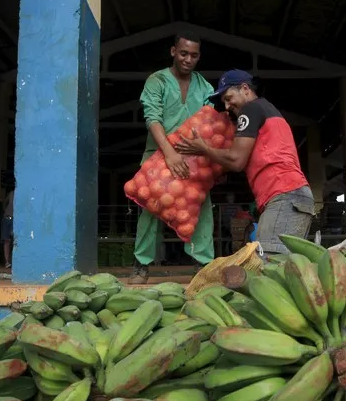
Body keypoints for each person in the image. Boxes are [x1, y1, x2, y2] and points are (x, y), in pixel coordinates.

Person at [177, 70, 315, 258]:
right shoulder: (267, 110)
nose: (227, 106)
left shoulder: (250, 109)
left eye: (229, 98)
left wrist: (204, 149)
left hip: (284, 195)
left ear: (245, 89)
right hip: (294, 196)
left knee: (268, 262)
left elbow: (236, 160)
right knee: (287, 266)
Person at [131, 32, 216, 284]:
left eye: (194, 55)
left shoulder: (205, 87)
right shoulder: (156, 80)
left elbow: (209, 123)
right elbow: (152, 118)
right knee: (151, 209)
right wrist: (169, 153)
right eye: (183, 53)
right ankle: (141, 265)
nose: (188, 59)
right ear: (173, 52)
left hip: (193, 160)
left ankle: (203, 265)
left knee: (201, 209)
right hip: (157, 157)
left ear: (199, 57)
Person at [1, 186, 15, 269]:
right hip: (7, 218)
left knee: (15, 240)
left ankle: (14, 261)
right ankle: (7, 262)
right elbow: (5, 202)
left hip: (17, 219)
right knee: (7, 240)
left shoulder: (24, 193)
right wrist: (5, 211)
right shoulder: (11, 193)